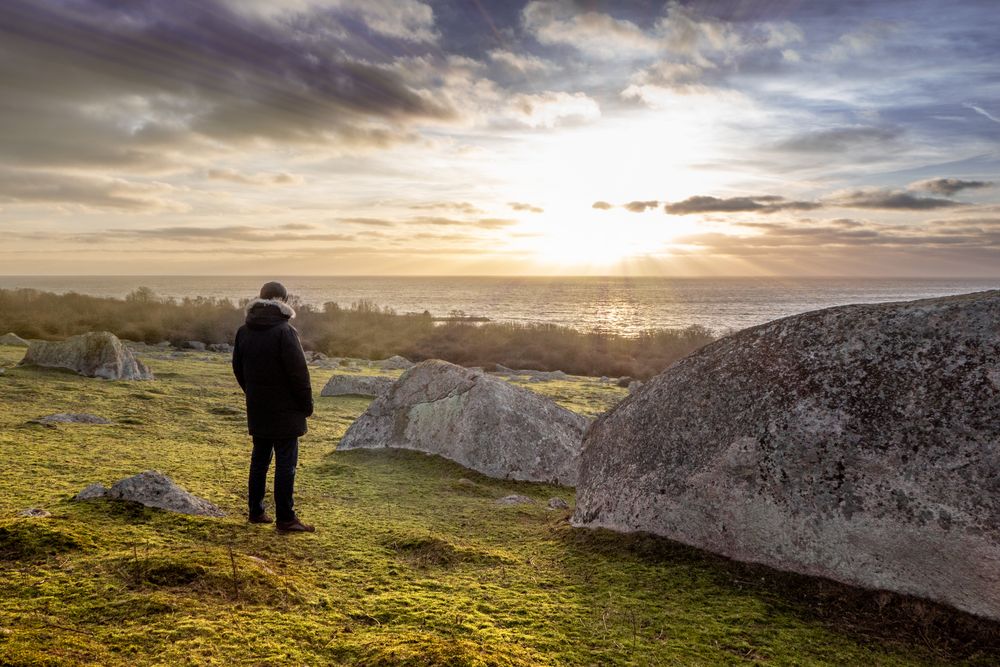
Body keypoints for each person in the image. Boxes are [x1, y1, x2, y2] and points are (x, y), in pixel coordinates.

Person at [232, 281, 315, 533]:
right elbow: (299, 373)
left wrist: (253, 393)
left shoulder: (243, 331)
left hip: (258, 407)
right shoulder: (285, 331)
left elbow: (238, 368)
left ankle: (256, 512)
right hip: (286, 411)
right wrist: (306, 405)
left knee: (259, 460)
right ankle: (286, 518)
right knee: (285, 464)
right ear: (282, 301)